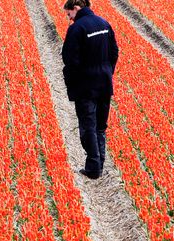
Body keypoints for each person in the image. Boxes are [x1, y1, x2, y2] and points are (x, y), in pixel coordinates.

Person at [62, 0, 118, 180]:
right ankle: (99, 162)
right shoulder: (104, 23)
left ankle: (93, 168)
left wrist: (72, 81)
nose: (69, 18)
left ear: (76, 8)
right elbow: (114, 52)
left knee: (88, 127)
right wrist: (108, 71)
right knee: (101, 126)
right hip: (104, 82)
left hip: (86, 86)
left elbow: (70, 59)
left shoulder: (77, 29)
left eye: (69, 14)